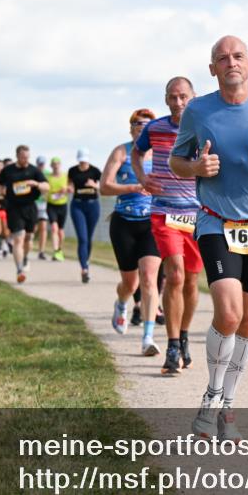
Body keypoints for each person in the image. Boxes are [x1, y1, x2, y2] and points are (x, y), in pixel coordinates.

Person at [169, 35, 248, 441]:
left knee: (247, 320)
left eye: (238, 56)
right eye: (222, 58)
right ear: (212, 69)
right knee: (226, 314)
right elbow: (176, 161)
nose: (231, 62)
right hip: (214, 222)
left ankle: (228, 404)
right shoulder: (198, 110)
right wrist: (196, 168)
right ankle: (210, 398)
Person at [133, 78, 203, 374]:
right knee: (174, 274)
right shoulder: (155, 128)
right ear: (166, 99)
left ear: (193, 97)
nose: (178, 103)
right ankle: (172, 347)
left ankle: (184, 337)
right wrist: (142, 177)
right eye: (173, 97)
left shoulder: (205, 127)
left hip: (200, 215)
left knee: (190, 281)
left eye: (183, 97)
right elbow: (137, 153)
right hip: (164, 212)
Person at [102, 108, 163, 355]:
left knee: (149, 278)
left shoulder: (160, 154)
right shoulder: (121, 151)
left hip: (152, 223)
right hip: (124, 223)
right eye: (137, 123)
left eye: (147, 123)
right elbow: (104, 187)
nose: (141, 126)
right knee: (130, 282)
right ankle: (121, 302)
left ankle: (148, 337)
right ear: (131, 128)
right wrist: (133, 187)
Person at [0, 145, 48, 283]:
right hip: (14, 208)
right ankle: (19, 270)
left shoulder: (33, 170)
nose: (26, 159)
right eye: (23, 157)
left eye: (27, 157)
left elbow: (46, 187)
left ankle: (25, 257)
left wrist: (36, 184)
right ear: (17, 156)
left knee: (29, 238)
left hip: (30, 207)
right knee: (19, 238)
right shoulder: (8, 170)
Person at [68, 149, 102, 283]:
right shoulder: (72, 171)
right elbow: (70, 184)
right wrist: (69, 188)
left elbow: (104, 186)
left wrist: (94, 185)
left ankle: (86, 261)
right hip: (77, 206)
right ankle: (84, 269)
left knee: (88, 238)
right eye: (81, 160)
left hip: (93, 205)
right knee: (82, 238)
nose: (83, 163)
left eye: (85, 160)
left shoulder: (95, 171)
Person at [34, 155, 50, 260]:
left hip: (44, 204)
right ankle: (26, 245)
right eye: (40, 164)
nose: (41, 166)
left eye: (43, 164)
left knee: (43, 227)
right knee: (32, 228)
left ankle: (41, 251)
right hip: (33, 203)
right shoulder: (33, 173)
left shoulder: (48, 174)